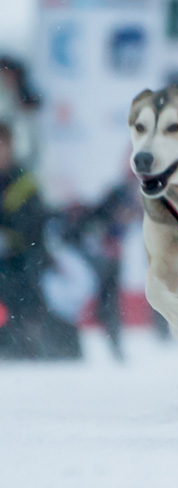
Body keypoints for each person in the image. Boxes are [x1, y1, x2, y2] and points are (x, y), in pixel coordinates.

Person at [0, 122, 81, 359]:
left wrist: (8, 238)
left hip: (22, 260)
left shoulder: (25, 182)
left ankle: (23, 341)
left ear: (10, 147)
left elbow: (34, 225)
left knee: (22, 283)